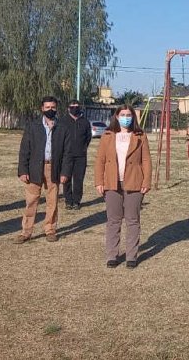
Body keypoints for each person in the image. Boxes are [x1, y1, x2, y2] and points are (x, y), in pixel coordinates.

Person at [94, 105, 152, 269]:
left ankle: (131, 256)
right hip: (112, 183)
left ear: (133, 117)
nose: (126, 117)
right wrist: (99, 182)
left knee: (133, 220)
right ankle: (112, 255)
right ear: (117, 117)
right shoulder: (107, 135)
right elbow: (100, 160)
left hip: (134, 182)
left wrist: (146, 182)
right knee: (113, 220)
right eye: (123, 114)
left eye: (129, 115)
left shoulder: (140, 136)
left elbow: (146, 160)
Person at [15, 96, 72, 244]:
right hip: (34, 167)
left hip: (53, 167)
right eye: (47, 107)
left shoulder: (63, 128)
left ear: (56, 108)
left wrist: (65, 172)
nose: (50, 110)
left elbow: (67, 152)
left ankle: (50, 230)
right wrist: (23, 170)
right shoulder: (33, 126)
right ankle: (26, 232)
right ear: (42, 108)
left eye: (53, 107)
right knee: (31, 200)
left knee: (52, 201)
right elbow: (24, 150)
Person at [61, 100, 94, 210]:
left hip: (81, 155)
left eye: (77, 106)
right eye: (72, 106)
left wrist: (83, 148)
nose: (75, 108)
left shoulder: (85, 122)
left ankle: (76, 201)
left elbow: (88, 137)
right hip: (67, 155)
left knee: (79, 179)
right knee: (67, 178)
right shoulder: (63, 121)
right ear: (68, 108)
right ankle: (68, 201)